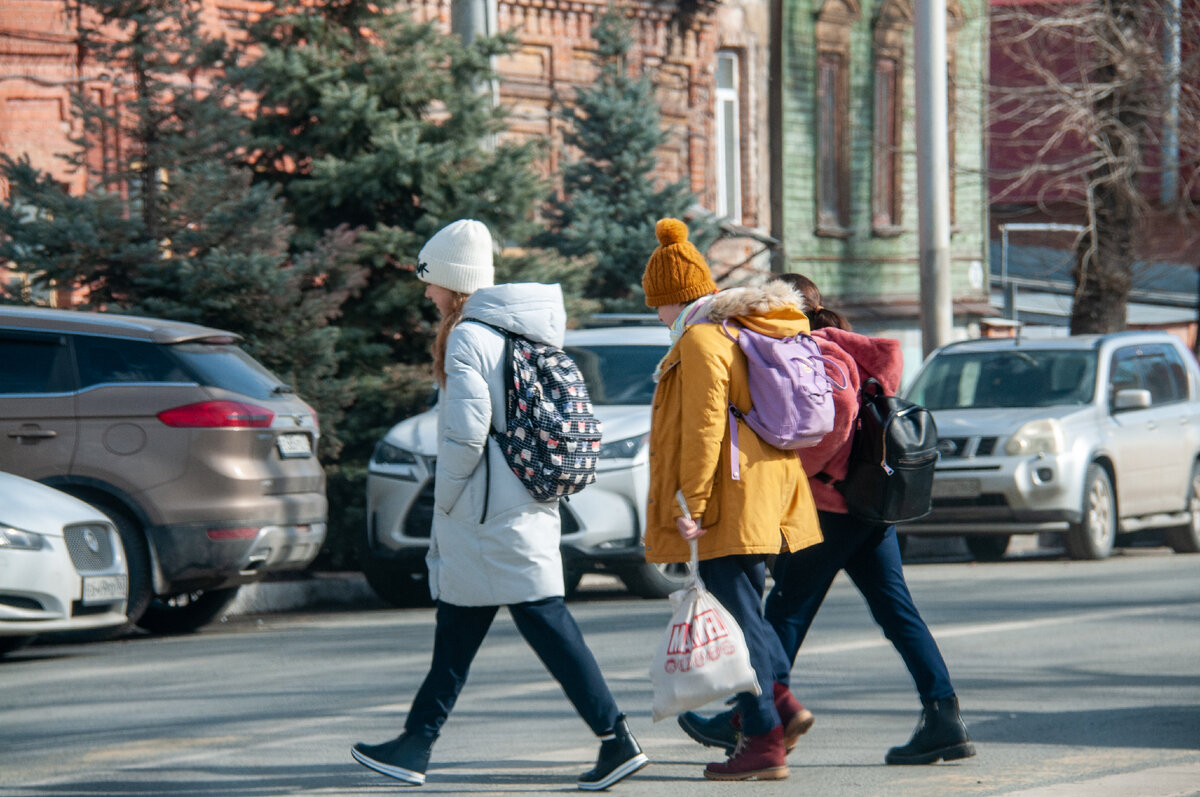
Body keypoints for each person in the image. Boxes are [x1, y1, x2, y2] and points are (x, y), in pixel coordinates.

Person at [351, 219, 648, 791]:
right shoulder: (519, 331)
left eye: (431, 282)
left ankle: (616, 738)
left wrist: (446, 499)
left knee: (543, 623)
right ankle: (416, 744)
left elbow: (465, 434)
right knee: (462, 631)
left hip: (486, 515)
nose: (427, 293)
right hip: (518, 506)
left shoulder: (468, 335)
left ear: (454, 282)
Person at [677, 272, 976, 766]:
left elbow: (827, 424)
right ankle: (942, 714)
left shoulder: (813, 351)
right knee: (893, 612)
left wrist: (787, 469)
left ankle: (758, 718)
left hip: (831, 507)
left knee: (782, 613)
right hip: (867, 504)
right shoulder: (842, 350)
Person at [641, 218, 825, 781]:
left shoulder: (700, 340)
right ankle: (783, 709)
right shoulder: (742, 330)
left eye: (658, 305)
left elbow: (702, 432)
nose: (658, 316)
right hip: (767, 494)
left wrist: (691, 505)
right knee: (748, 614)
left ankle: (763, 740)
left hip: (730, 498)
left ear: (675, 299)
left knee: (738, 623)